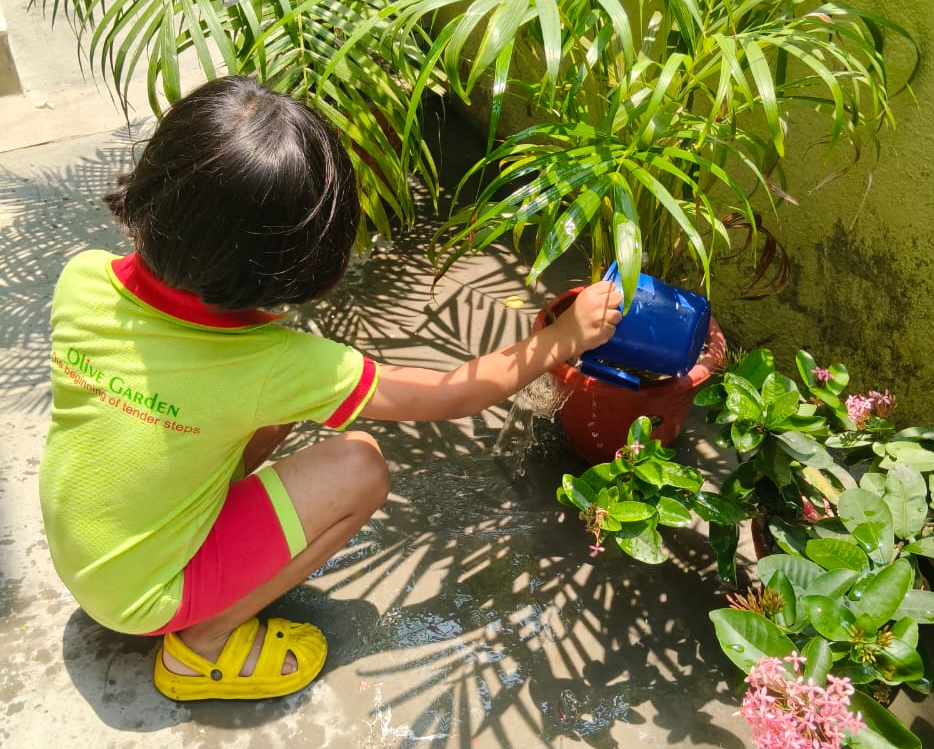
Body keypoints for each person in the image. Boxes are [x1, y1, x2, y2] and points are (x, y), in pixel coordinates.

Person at [38, 76, 621, 703]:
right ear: (292, 267)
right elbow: (451, 394)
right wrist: (564, 338)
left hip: (83, 555)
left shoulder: (83, 279)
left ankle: (198, 561)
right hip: (148, 596)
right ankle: (203, 643)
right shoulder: (273, 365)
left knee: (263, 414)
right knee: (359, 468)